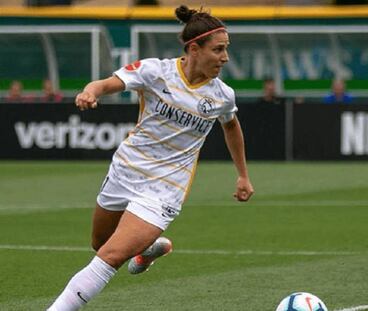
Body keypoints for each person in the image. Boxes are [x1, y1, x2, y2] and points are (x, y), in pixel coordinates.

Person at [47, 5, 254, 311]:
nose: (225, 58)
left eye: (226, 50)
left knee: (111, 256)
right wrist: (91, 92)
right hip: (126, 170)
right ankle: (148, 249)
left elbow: (232, 126)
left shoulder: (223, 95)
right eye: (218, 50)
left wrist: (243, 174)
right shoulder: (155, 71)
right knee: (100, 244)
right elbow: (104, 84)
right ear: (194, 48)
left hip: (165, 187)